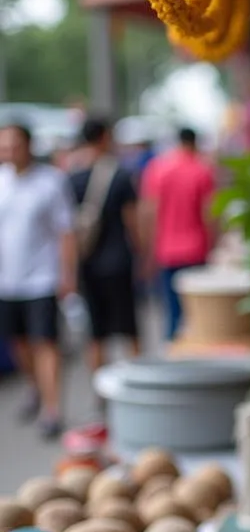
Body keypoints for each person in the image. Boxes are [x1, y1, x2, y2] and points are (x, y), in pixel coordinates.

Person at [0, 123, 77, 439]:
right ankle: (34, 387)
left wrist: (67, 274)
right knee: (18, 343)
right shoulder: (1, 182)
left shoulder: (50, 182)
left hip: (42, 279)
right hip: (7, 281)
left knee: (45, 343)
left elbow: (66, 231)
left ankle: (52, 408)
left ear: (28, 145)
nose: (8, 151)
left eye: (13, 144)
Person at [69, 117, 144, 375]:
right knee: (129, 328)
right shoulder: (120, 175)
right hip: (119, 262)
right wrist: (143, 256)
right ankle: (137, 381)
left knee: (96, 333)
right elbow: (133, 223)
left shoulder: (72, 177)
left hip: (87, 263)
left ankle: (99, 391)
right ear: (104, 137)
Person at [139, 127, 217, 340]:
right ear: (194, 143)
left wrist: (147, 252)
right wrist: (214, 245)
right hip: (196, 250)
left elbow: (149, 213)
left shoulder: (158, 169)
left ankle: (172, 355)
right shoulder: (202, 171)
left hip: (166, 251)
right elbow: (209, 214)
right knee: (197, 316)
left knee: (171, 313)